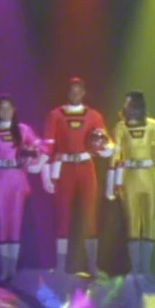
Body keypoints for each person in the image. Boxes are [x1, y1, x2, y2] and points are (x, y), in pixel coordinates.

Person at [42, 77, 113, 276]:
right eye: (72, 91)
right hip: (64, 168)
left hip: (86, 167)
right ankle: (60, 266)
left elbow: (105, 141)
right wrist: (46, 174)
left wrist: (108, 149)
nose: (75, 94)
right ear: (67, 93)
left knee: (90, 214)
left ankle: (92, 265)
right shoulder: (55, 115)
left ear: (83, 92)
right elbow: (47, 146)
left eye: (78, 91)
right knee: (62, 215)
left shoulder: (94, 115)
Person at [0, 94, 46, 281]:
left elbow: (41, 146)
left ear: (14, 110)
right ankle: (3, 269)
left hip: (17, 179)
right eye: (2, 108)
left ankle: (12, 270)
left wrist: (35, 159)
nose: (5, 111)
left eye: (8, 107)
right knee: (1, 223)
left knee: (15, 223)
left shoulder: (23, 130)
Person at [107, 91, 155, 279]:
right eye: (126, 104)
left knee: (149, 222)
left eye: (131, 104)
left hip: (149, 178)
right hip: (129, 178)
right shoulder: (120, 128)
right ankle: (135, 267)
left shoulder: (154, 126)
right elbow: (116, 154)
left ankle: (145, 268)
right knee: (132, 222)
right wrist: (113, 180)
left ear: (139, 105)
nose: (128, 107)